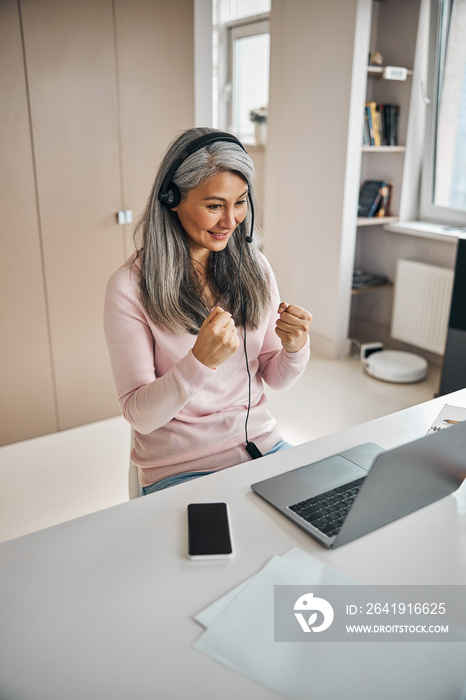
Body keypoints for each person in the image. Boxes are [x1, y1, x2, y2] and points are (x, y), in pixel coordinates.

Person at [104, 127, 312, 496]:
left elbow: (273, 376)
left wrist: (294, 349)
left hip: (261, 446)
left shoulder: (255, 267)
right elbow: (140, 414)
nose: (231, 221)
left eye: (241, 202)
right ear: (172, 199)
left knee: (328, 518)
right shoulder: (129, 287)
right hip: (179, 468)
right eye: (214, 206)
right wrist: (198, 362)